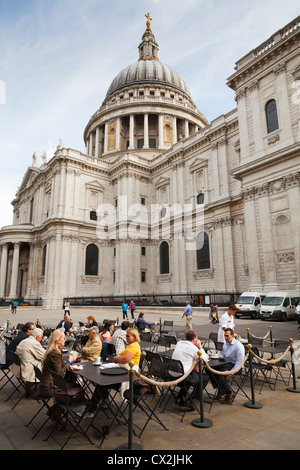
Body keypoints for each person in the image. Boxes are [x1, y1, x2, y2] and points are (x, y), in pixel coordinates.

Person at [166, 330, 209, 407]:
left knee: (191, 373)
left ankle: (180, 397)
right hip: (182, 378)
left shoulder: (179, 343)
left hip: (170, 374)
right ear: (195, 339)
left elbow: (186, 356)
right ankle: (191, 399)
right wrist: (200, 346)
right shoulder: (193, 348)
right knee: (205, 378)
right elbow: (205, 359)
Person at [206, 328, 245, 404]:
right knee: (208, 368)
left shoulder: (238, 346)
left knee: (219, 372)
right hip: (225, 363)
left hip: (235, 366)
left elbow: (240, 362)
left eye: (227, 336)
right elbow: (223, 356)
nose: (225, 338)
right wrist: (216, 357)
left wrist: (231, 372)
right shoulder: (225, 343)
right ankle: (221, 388)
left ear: (233, 335)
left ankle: (228, 392)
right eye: (224, 336)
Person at [38, 329, 79, 398]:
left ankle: (61, 406)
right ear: (58, 340)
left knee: (73, 384)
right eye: (63, 338)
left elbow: (57, 367)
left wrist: (68, 366)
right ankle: (66, 406)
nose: (65, 340)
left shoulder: (52, 350)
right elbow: (60, 373)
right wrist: (70, 360)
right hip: (49, 388)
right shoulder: (55, 353)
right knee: (78, 388)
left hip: (45, 385)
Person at [10, 328, 45, 394]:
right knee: (48, 364)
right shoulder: (34, 343)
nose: (42, 338)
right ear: (38, 337)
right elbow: (44, 356)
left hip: (20, 367)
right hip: (28, 370)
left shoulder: (24, 341)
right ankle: (44, 388)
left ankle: (30, 389)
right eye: (42, 337)